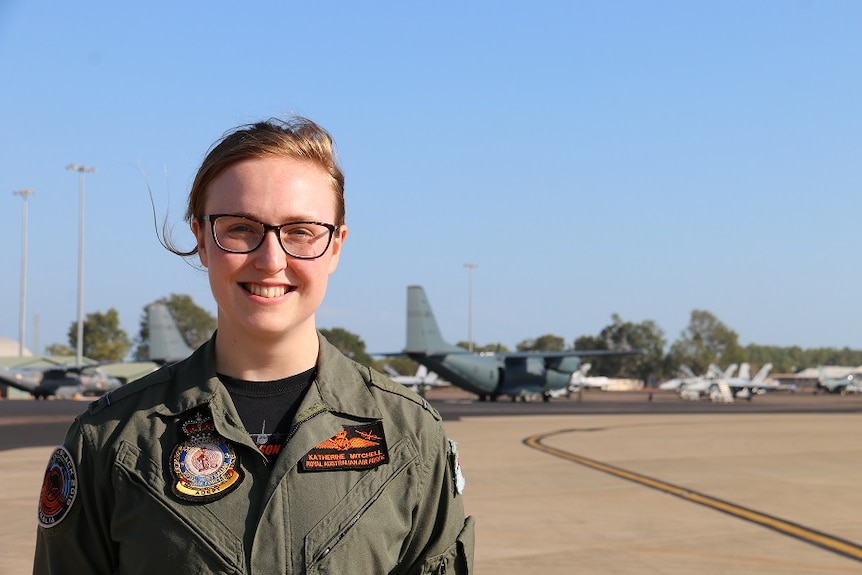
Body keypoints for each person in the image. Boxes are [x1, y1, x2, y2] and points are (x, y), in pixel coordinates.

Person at [33, 117, 474, 574]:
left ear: (336, 246)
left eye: (301, 231)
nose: (271, 259)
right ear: (201, 238)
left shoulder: (410, 438)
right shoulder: (112, 441)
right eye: (241, 227)